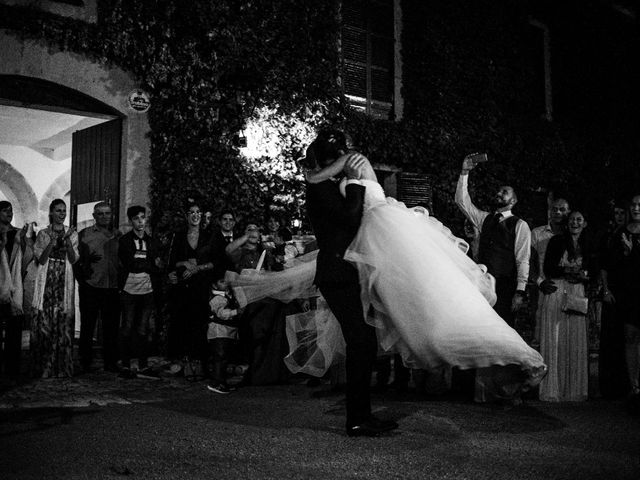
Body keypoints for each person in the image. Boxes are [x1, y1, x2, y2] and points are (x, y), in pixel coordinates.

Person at [305, 131, 546, 407]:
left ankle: (512, 357)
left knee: (428, 300)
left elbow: (319, 178)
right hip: (378, 232)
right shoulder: (349, 170)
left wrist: (314, 175)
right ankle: (496, 359)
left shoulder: (352, 161)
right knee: (420, 304)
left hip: (382, 228)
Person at [304, 129, 396, 437]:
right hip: (335, 274)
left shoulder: (329, 186)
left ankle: (361, 415)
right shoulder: (318, 188)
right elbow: (350, 218)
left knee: (364, 342)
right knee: (361, 341)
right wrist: (357, 183)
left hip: (346, 273)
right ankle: (357, 418)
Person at [455, 154, 531, 327]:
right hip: (482, 283)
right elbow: (462, 202)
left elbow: (523, 258)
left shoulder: (520, 225)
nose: (499, 193)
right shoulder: (485, 219)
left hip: (505, 285)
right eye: (499, 191)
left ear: (513, 201)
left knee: (503, 327)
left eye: (504, 192)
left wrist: (520, 290)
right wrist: (464, 172)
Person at [538, 210, 593, 401]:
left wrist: (584, 276)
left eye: (579, 219)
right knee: (556, 338)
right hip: (558, 290)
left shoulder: (588, 243)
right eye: (572, 220)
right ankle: (553, 389)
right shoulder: (556, 241)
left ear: (584, 223)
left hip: (577, 291)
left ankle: (574, 390)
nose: (575, 223)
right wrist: (568, 270)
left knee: (574, 338)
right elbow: (548, 268)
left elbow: (593, 268)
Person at [30, 199, 78, 378]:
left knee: (62, 323)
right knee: (45, 323)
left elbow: (73, 259)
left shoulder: (72, 234)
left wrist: (67, 241)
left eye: (64, 211)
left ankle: (62, 368)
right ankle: (43, 368)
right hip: (47, 280)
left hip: (63, 280)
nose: (62, 214)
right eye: (58, 210)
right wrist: (53, 241)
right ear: (51, 212)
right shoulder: (43, 233)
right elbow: (41, 259)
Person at [166, 200, 216, 375]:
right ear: (186, 216)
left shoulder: (208, 236)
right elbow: (172, 261)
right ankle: (181, 359)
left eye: (198, 212)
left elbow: (215, 262)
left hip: (201, 285)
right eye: (191, 212)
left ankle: (198, 360)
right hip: (182, 285)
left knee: (200, 322)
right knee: (181, 321)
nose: (195, 215)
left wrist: (197, 268)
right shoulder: (178, 236)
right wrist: (184, 263)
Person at [602, 195, 640, 412]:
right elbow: (608, 264)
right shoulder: (620, 232)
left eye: (639, 205)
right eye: (633, 205)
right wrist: (607, 289)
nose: (636, 208)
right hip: (628, 293)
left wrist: (633, 252)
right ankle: (634, 387)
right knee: (630, 337)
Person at [117, 206, 162, 379]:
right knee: (127, 326)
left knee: (143, 328)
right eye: (136, 218)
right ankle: (126, 365)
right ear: (131, 221)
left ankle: (143, 365)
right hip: (129, 288)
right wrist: (148, 264)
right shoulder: (125, 241)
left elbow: (157, 265)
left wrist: (147, 264)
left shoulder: (151, 241)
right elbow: (130, 263)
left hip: (147, 289)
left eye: (143, 217)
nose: (140, 221)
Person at [76, 202, 121, 373]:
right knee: (88, 326)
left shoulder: (118, 235)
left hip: (112, 286)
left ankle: (110, 361)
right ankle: (85, 361)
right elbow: (75, 260)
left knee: (111, 327)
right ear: (94, 216)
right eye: (100, 214)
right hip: (91, 287)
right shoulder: (85, 234)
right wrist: (82, 280)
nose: (104, 216)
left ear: (112, 215)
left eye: (107, 213)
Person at [598, 201, 629, 399]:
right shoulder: (609, 236)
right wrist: (606, 289)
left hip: (629, 291)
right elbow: (604, 265)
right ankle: (610, 386)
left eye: (621, 212)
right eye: (615, 213)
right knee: (610, 338)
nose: (618, 216)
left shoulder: (629, 235)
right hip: (614, 291)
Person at [0, 201, 34, 381]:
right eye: (5, 211)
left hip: (15, 284)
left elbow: (26, 256)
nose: (9, 213)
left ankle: (12, 367)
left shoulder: (16, 232)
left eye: (11, 211)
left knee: (14, 327)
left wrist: (22, 241)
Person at [531, 198, 571, 342]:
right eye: (554, 209)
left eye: (562, 209)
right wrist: (539, 282)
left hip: (568, 290)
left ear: (568, 212)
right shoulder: (537, 233)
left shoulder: (573, 235)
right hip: (543, 289)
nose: (557, 212)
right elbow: (529, 261)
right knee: (542, 334)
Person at [206, 278, 242, 394]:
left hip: (228, 331)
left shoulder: (228, 296)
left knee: (224, 358)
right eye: (221, 281)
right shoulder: (218, 298)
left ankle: (222, 382)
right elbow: (221, 314)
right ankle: (216, 383)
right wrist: (237, 312)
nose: (225, 283)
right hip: (219, 331)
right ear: (214, 285)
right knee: (220, 358)